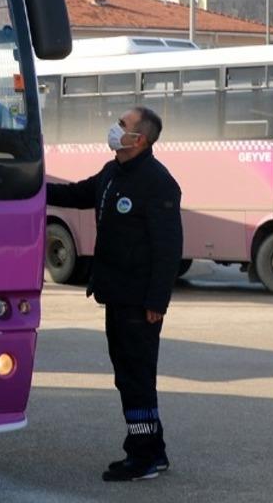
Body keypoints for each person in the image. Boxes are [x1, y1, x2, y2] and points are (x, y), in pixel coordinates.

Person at [47, 106, 183, 482]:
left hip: (139, 301)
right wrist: (32, 187)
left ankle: (143, 458)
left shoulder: (157, 182)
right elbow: (77, 193)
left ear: (139, 139)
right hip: (116, 293)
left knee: (136, 376)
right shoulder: (114, 172)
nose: (114, 128)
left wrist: (157, 301)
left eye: (122, 125)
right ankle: (152, 449)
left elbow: (168, 247)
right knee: (127, 375)